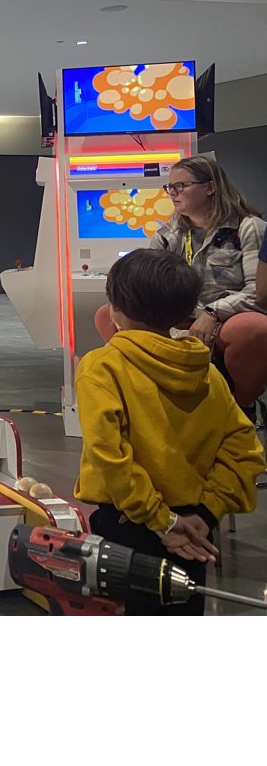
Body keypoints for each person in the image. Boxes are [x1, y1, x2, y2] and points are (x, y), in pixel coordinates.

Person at [76, 248, 264, 615]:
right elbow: (244, 451)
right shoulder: (208, 373)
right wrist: (206, 514)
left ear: (115, 308)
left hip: (128, 526)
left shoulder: (102, 366)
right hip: (195, 529)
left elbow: (108, 455)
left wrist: (163, 521)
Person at [94, 157, 267, 414]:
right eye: (170, 187)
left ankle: (241, 407)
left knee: (254, 329)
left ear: (210, 187)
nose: (173, 193)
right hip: (178, 315)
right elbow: (148, 283)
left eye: (181, 186)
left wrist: (213, 313)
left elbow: (257, 292)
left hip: (227, 317)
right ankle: (146, 394)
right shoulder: (168, 234)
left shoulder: (248, 228)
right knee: (107, 315)